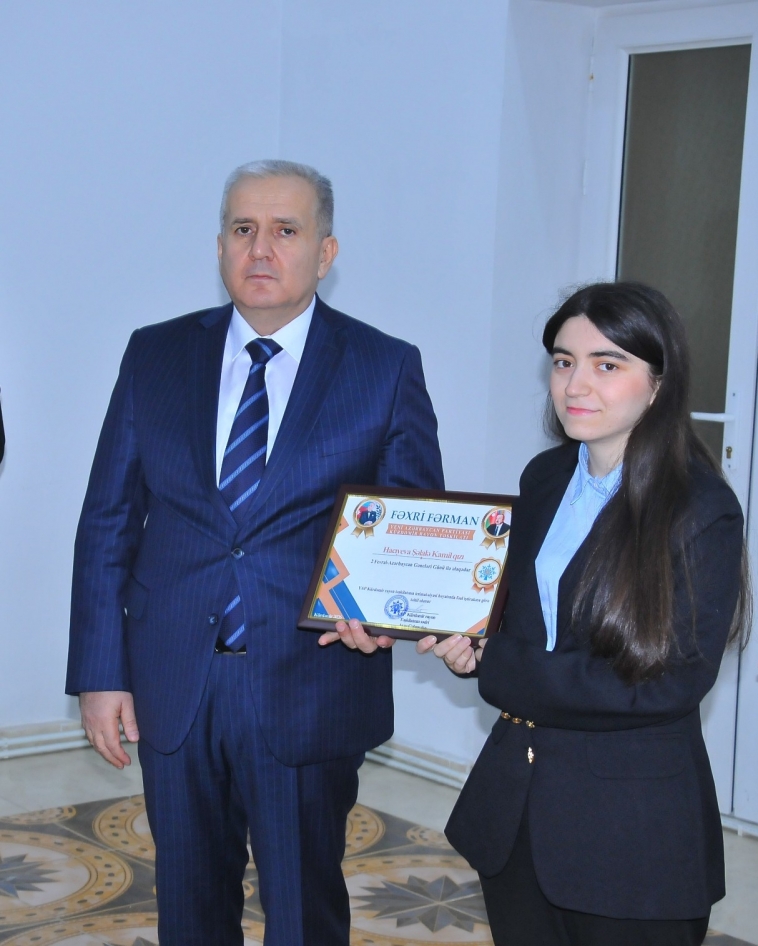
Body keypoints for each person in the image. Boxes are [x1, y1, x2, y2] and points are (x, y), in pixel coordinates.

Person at [65, 159, 444, 946]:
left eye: (285, 230)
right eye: (243, 229)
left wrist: (386, 614)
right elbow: (108, 520)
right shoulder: (155, 355)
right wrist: (101, 674)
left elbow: (411, 525)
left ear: (325, 252)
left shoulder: (383, 367)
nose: (260, 249)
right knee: (189, 905)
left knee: (302, 911)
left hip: (311, 685)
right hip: (176, 680)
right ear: (220, 246)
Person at [416, 282, 750, 946]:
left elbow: (664, 684)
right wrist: (471, 645)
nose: (575, 384)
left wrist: (497, 665)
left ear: (659, 384)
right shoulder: (544, 478)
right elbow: (525, 626)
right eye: (564, 362)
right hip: (517, 812)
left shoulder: (700, 509)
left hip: (629, 835)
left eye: (608, 364)